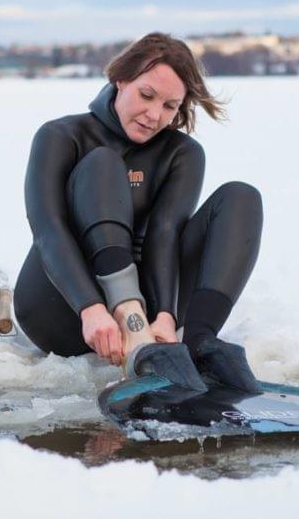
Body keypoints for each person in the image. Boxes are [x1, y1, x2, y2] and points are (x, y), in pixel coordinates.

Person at [13, 32, 264, 391]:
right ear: (121, 79)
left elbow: (166, 233)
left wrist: (166, 316)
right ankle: (130, 321)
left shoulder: (181, 153)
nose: (154, 115)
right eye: (147, 95)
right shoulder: (61, 136)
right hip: (64, 308)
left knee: (241, 197)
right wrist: (92, 309)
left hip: (147, 321)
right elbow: (48, 231)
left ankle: (201, 342)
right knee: (102, 163)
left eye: (169, 106)